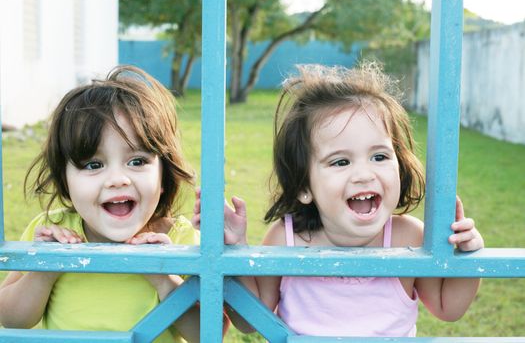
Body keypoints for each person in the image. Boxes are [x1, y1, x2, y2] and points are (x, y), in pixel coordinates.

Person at [193, 62, 485, 337]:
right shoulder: (287, 238)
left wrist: (468, 256)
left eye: (379, 156)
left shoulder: (406, 235)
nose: (363, 174)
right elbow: (248, 321)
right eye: (341, 162)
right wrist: (236, 251)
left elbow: (449, 307)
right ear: (304, 186)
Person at [0, 65, 203, 342]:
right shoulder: (52, 232)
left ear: (163, 174)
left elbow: (208, 332)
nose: (117, 179)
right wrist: (44, 271)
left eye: (137, 161)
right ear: (66, 182)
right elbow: (12, 319)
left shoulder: (180, 239)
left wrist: (164, 277)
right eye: (94, 165)